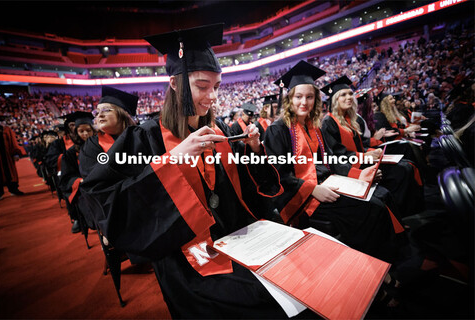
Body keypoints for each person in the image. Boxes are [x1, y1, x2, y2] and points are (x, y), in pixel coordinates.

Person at [80, 23, 293, 319]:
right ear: (175, 84)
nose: (213, 97)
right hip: (187, 252)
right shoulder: (143, 139)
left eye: (217, 87)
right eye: (203, 86)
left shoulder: (223, 132)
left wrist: (255, 151)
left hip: (239, 238)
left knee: (293, 280)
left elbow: (247, 190)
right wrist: (172, 160)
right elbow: (97, 198)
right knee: (262, 301)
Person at [264, 60, 404, 261]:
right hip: (299, 195)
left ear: (316, 99)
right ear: (289, 99)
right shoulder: (277, 130)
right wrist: (311, 189)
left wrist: (358, 174)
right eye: (298, 97)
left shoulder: (314, 126)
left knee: (381, 194)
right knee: (371, 208)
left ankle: (395, 255)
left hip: (326, 183)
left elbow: (331, 159)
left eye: (310, 97)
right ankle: (379, 267)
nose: (304, 102)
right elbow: (278, 174)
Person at [321, 77, 424, 218]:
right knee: (401, 170)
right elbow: (338, 156)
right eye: (343, 95)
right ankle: (403, 216)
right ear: (335, 99)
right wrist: (365, 156)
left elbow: (361, 146)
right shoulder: (329, 122)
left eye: (350, 94)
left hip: (361, 161)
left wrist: (372, 152)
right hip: (349, 167)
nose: (349, 97)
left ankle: (406, 213)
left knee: (405, 165)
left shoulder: (349, 119)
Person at [78, 86, 138, 178]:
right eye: (96, 113)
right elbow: (93, 181)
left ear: (123, 114)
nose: (100, 115)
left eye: (106, 110)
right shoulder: (91, 145)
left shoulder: (141, 138)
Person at [59, 112, 96, 233]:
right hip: (84, 187)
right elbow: (66, 178)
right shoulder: (70, 153)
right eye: (81, 131)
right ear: (76, 133)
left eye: (88, 130)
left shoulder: (100, 146)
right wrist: (80, 181)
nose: (85, 134)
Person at [0, 115, 24, 200]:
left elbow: (13, 142)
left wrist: (16, 153)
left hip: (6, 157)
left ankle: (13, 189)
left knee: (10, 173)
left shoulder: (6, 130)